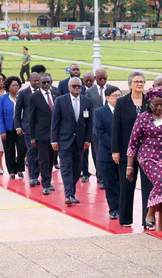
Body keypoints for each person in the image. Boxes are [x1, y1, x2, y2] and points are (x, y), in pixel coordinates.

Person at [127, 86, 162, 230]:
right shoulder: (143, 118)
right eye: (155, 104)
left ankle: (161, 229)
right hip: (149, 157)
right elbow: (133, 143)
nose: (159, 107)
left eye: (161, 104)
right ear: (149, 104)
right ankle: (150, 213)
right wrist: (129, 166)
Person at [111, 71, 153, 227]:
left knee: (148, 186)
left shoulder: (149, 101)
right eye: (136, 81)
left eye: (141, 81)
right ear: (130, 84)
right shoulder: (122, 102)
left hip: (148, 151)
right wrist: (115, 150)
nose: (139, 84)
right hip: (126, 150)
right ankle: (126, 219)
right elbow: (116, 127)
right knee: (127, 185)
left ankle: (147, 219)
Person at [50, 76, 93, 205]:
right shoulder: (60, 101)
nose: (76, 88)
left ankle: (71, 191)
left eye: (79, 86)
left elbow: (90, 123)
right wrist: (54, 140)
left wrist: (88, 139)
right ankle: (69, 194)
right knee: (66, 168)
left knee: (76, 169)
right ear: (69, 87)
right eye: (74, 86)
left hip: (80, 141)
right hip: (64, 140)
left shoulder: (87, 101)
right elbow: (55, 122)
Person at [27, 73, 58, 194]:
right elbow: (31, 118)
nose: (46, 84)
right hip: (41, 134)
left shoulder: (57, 95)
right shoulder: (34, 97)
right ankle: (46, 183)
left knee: (52, 159)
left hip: (54, 134)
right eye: (44, 82)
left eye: (48, 82)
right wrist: (32, 137)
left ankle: (48, 178)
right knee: (44, 159)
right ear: (39, 83)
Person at [94, 85, 121, 219]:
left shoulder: (124, 111)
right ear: (107, 97)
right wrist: (114, 147)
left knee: (122, 182)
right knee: (110, 182)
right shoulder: (100, 112)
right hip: (107, 154)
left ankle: (122, 207)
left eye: (119, 95)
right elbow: (100, 132)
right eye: (115, 96)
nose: (118, 98)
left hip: (123, 154)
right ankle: (113, 208)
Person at [0, 77, 26, 179]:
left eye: (17, 85)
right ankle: (11, 171)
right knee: (9, 150)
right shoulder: (2, 99)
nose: (15, 87)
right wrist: (2, 130)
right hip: (8, 128)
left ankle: (19, 168)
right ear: (8, 87)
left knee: (22, 149)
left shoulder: (22, 97)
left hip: (21, 128)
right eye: (13, 85)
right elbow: (0, 116)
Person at [14, 72, 41, 185]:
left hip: (42, 127)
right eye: (34, 80)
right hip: (28, 127)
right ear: (29, 80)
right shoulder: (23, 93)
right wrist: (18, 126)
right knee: (31, 151)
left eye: (38, 80)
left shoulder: (43, 92)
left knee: (41, 153)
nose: (36, 83)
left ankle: (39, 173)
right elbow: (18, 111)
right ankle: (33, 177)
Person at [86, 68, 109, 188]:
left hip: (109, 127)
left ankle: (108, 176)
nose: (102, 81)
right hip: (95, 128)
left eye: (104, 78)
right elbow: (86, 109)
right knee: (97, 153)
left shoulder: (111, 90)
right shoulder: (90, 91)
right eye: (100, 78)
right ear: (95, 78)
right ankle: (101, 177)